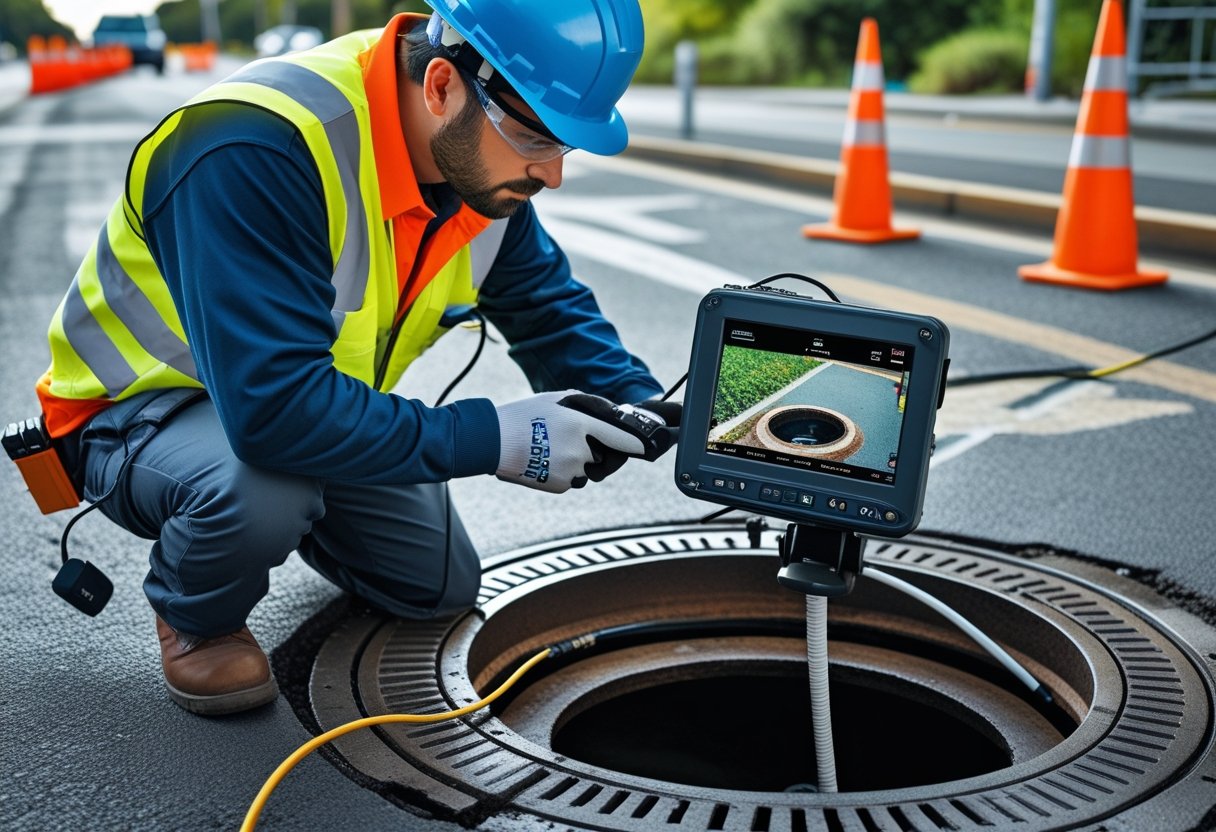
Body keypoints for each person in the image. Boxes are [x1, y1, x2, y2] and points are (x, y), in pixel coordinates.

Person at [35, 0, 677, 716]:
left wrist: (649, 409)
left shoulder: (477, 171)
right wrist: (498, 438)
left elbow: (551, 314)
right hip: (135, 414)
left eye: (566, 145)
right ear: (441, 84)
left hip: (307, 407)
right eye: (536, 136)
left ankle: (302, 496)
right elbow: (271, 410)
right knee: (263, 487)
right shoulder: (253, 146)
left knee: (436, 588)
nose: (551, 174)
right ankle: (198, 620)